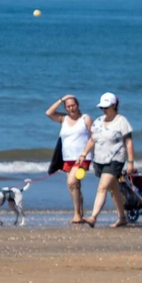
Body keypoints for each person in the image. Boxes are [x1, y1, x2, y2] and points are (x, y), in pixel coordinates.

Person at [79, 93, 135, 228]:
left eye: (106, 107)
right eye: (102, 107)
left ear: (114, 105)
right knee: (113, 189)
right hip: (99, 160)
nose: (104, 110)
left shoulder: (121, 121)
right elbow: (92, 140)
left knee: (102, 187)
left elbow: (128, 142)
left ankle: (93, 217)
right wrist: (84, 154)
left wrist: (131, 162)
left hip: (115, 159)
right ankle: (122, 218)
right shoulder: (98, 121)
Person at [45, 94, 93, 223]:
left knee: (72, 183)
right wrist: (62, 99)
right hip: (67, 159)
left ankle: (77, 215)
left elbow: (94, 138)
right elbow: (48, 113)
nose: (71, 108)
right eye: (68, 106)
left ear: (78, 105)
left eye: (73, 105)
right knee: (74, 186)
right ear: (65, 108)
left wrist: (85, 154)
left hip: (83, 159)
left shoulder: (85, 119)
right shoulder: (63, 119)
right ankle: (80, 213)